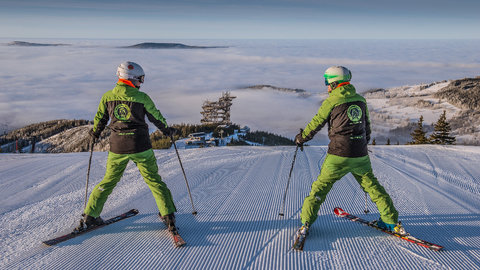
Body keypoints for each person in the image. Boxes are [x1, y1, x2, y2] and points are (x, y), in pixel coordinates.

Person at [294, 66, 401, 236]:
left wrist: (301, 138)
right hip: (360, 154)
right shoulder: (360, 100)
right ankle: (391, 221)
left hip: (338, 154)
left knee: (320, 188)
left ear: (335, 83)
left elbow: (316, 123)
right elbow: (367, 127)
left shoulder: (331, 102)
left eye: (327, 82)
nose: (326, 86)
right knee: (373, 187)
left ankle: (306, 222)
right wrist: (362, 145)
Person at [76, 61, 178, 232]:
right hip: (141, 146)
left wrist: (95, 133)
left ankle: (90, 215)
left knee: (108, 181)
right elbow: (156, 117)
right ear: (130, 79)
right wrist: (167, 130)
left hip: (118, 147)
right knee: (154, 180)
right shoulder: (142, 98)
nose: (141, 83)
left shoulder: (107, 97)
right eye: (139, 80)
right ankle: (168, 216)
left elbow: (100, 118)